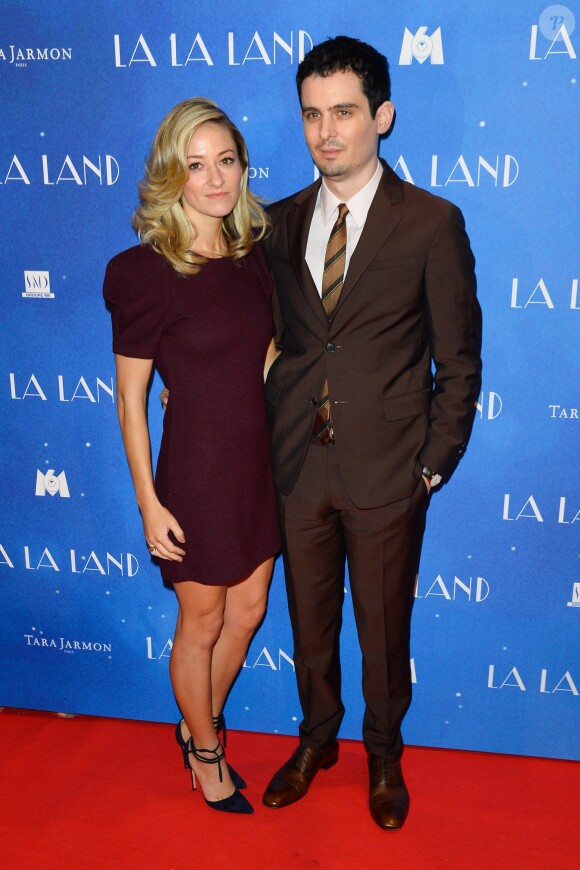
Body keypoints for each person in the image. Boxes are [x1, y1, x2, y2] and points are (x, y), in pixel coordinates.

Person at [260, 37, 482, 829]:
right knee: (308, 624)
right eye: (314, 114)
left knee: (385, 630)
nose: (327, 131)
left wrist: (431, 465)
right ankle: (316, 740)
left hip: (391, 471)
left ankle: (383, 755)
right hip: (298, 468)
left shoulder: (431, 223)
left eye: (345, 112)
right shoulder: (277, 223)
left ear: (382, 116)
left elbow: (459, 361)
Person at [103, 97, 281, 816]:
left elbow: (270, 359)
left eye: (226, 162)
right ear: (171, 176)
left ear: (243, 167)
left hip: (261, 467)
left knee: (250, 611)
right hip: (197, 475)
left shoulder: (258, 259)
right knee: (202, 621)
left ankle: (193, 720)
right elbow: (131, 399)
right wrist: (150, 501)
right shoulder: (142, 272)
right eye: (196, 165)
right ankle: (206, 752)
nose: (214, 180)